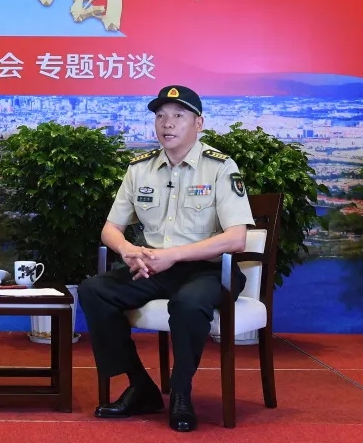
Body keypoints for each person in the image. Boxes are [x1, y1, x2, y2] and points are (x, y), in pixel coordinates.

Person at [78, 85, 256, 433]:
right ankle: (140, 386)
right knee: (94, 290)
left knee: (188, 303)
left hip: (208, 270)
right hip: (154, 267)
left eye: (178, 116)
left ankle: (181, 392)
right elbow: (110, 229)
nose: (167, 123)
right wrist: (128, 250)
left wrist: (172, 256)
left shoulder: (220, 167)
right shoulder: (140, 168)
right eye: (160, 116)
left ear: (198, 123)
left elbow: (236, 238)